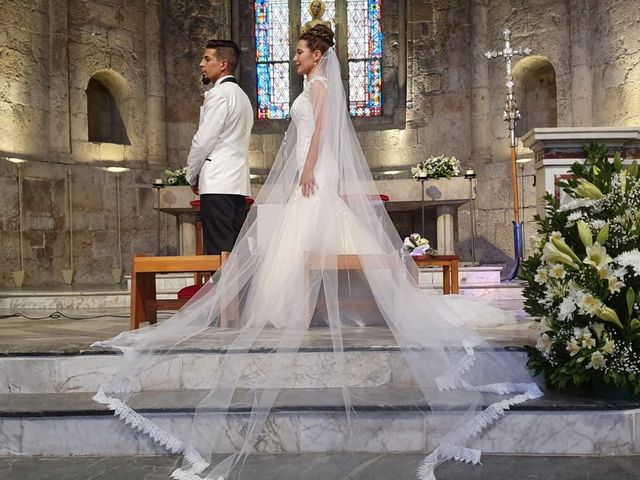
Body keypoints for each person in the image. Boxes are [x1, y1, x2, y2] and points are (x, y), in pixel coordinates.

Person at [94, 26, 542, 480]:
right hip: (309, 172)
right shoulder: (310, 85)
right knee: (299, 240)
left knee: (310, 236)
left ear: (317, 56)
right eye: (294, 53)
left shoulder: (322, 85)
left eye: (299, 52)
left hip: (317, 171)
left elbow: (323, 134)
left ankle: (322, 304)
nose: (294, 59)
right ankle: (312, 303)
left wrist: (306, 171)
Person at [186, 39, 253, 255]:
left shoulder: (219, 94)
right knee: (235, 254)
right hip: (237, 185)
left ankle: (223, 291)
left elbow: (203, 140)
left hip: (217, 184)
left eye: (207, 59)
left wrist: (192, 175)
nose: (201, 64)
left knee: (218, 256)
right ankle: (238, 291)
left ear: (223, 64)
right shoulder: (243, 97)